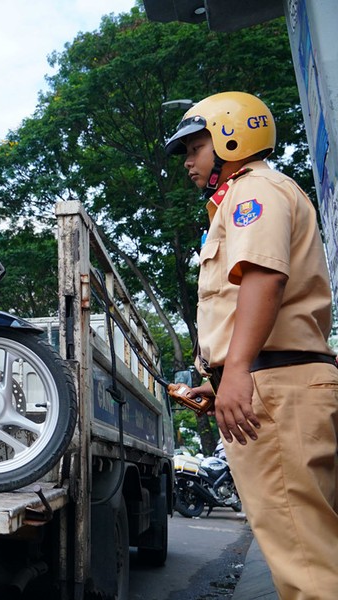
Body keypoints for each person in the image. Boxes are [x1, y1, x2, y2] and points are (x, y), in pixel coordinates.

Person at [165, 91, 338, 599]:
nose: (189, 164)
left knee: (306, 569)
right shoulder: (262, 192)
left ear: (230, 138)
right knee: (315, 548)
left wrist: (236, 369)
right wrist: (218, 381)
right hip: (284, 384)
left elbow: (264, 277)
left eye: (194, 149)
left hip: (274, 390)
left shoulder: (252, 191)